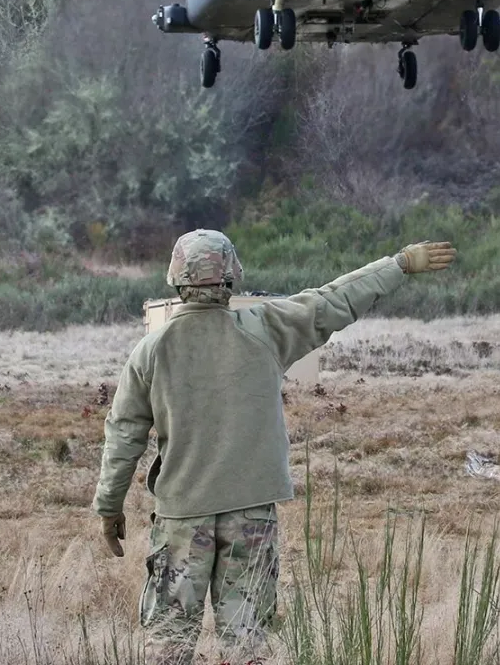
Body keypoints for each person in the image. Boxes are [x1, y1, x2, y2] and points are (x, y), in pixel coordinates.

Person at [94, 230, 457, 664]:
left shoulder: (150, 351)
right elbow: (335, 299)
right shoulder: (266, 328)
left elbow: (124, 436)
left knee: (169, 644)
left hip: (181, 518)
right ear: (231, 276)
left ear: (176, 276)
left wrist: (109, 507)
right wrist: (398, 263)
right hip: (253, 514)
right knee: (247, 642)